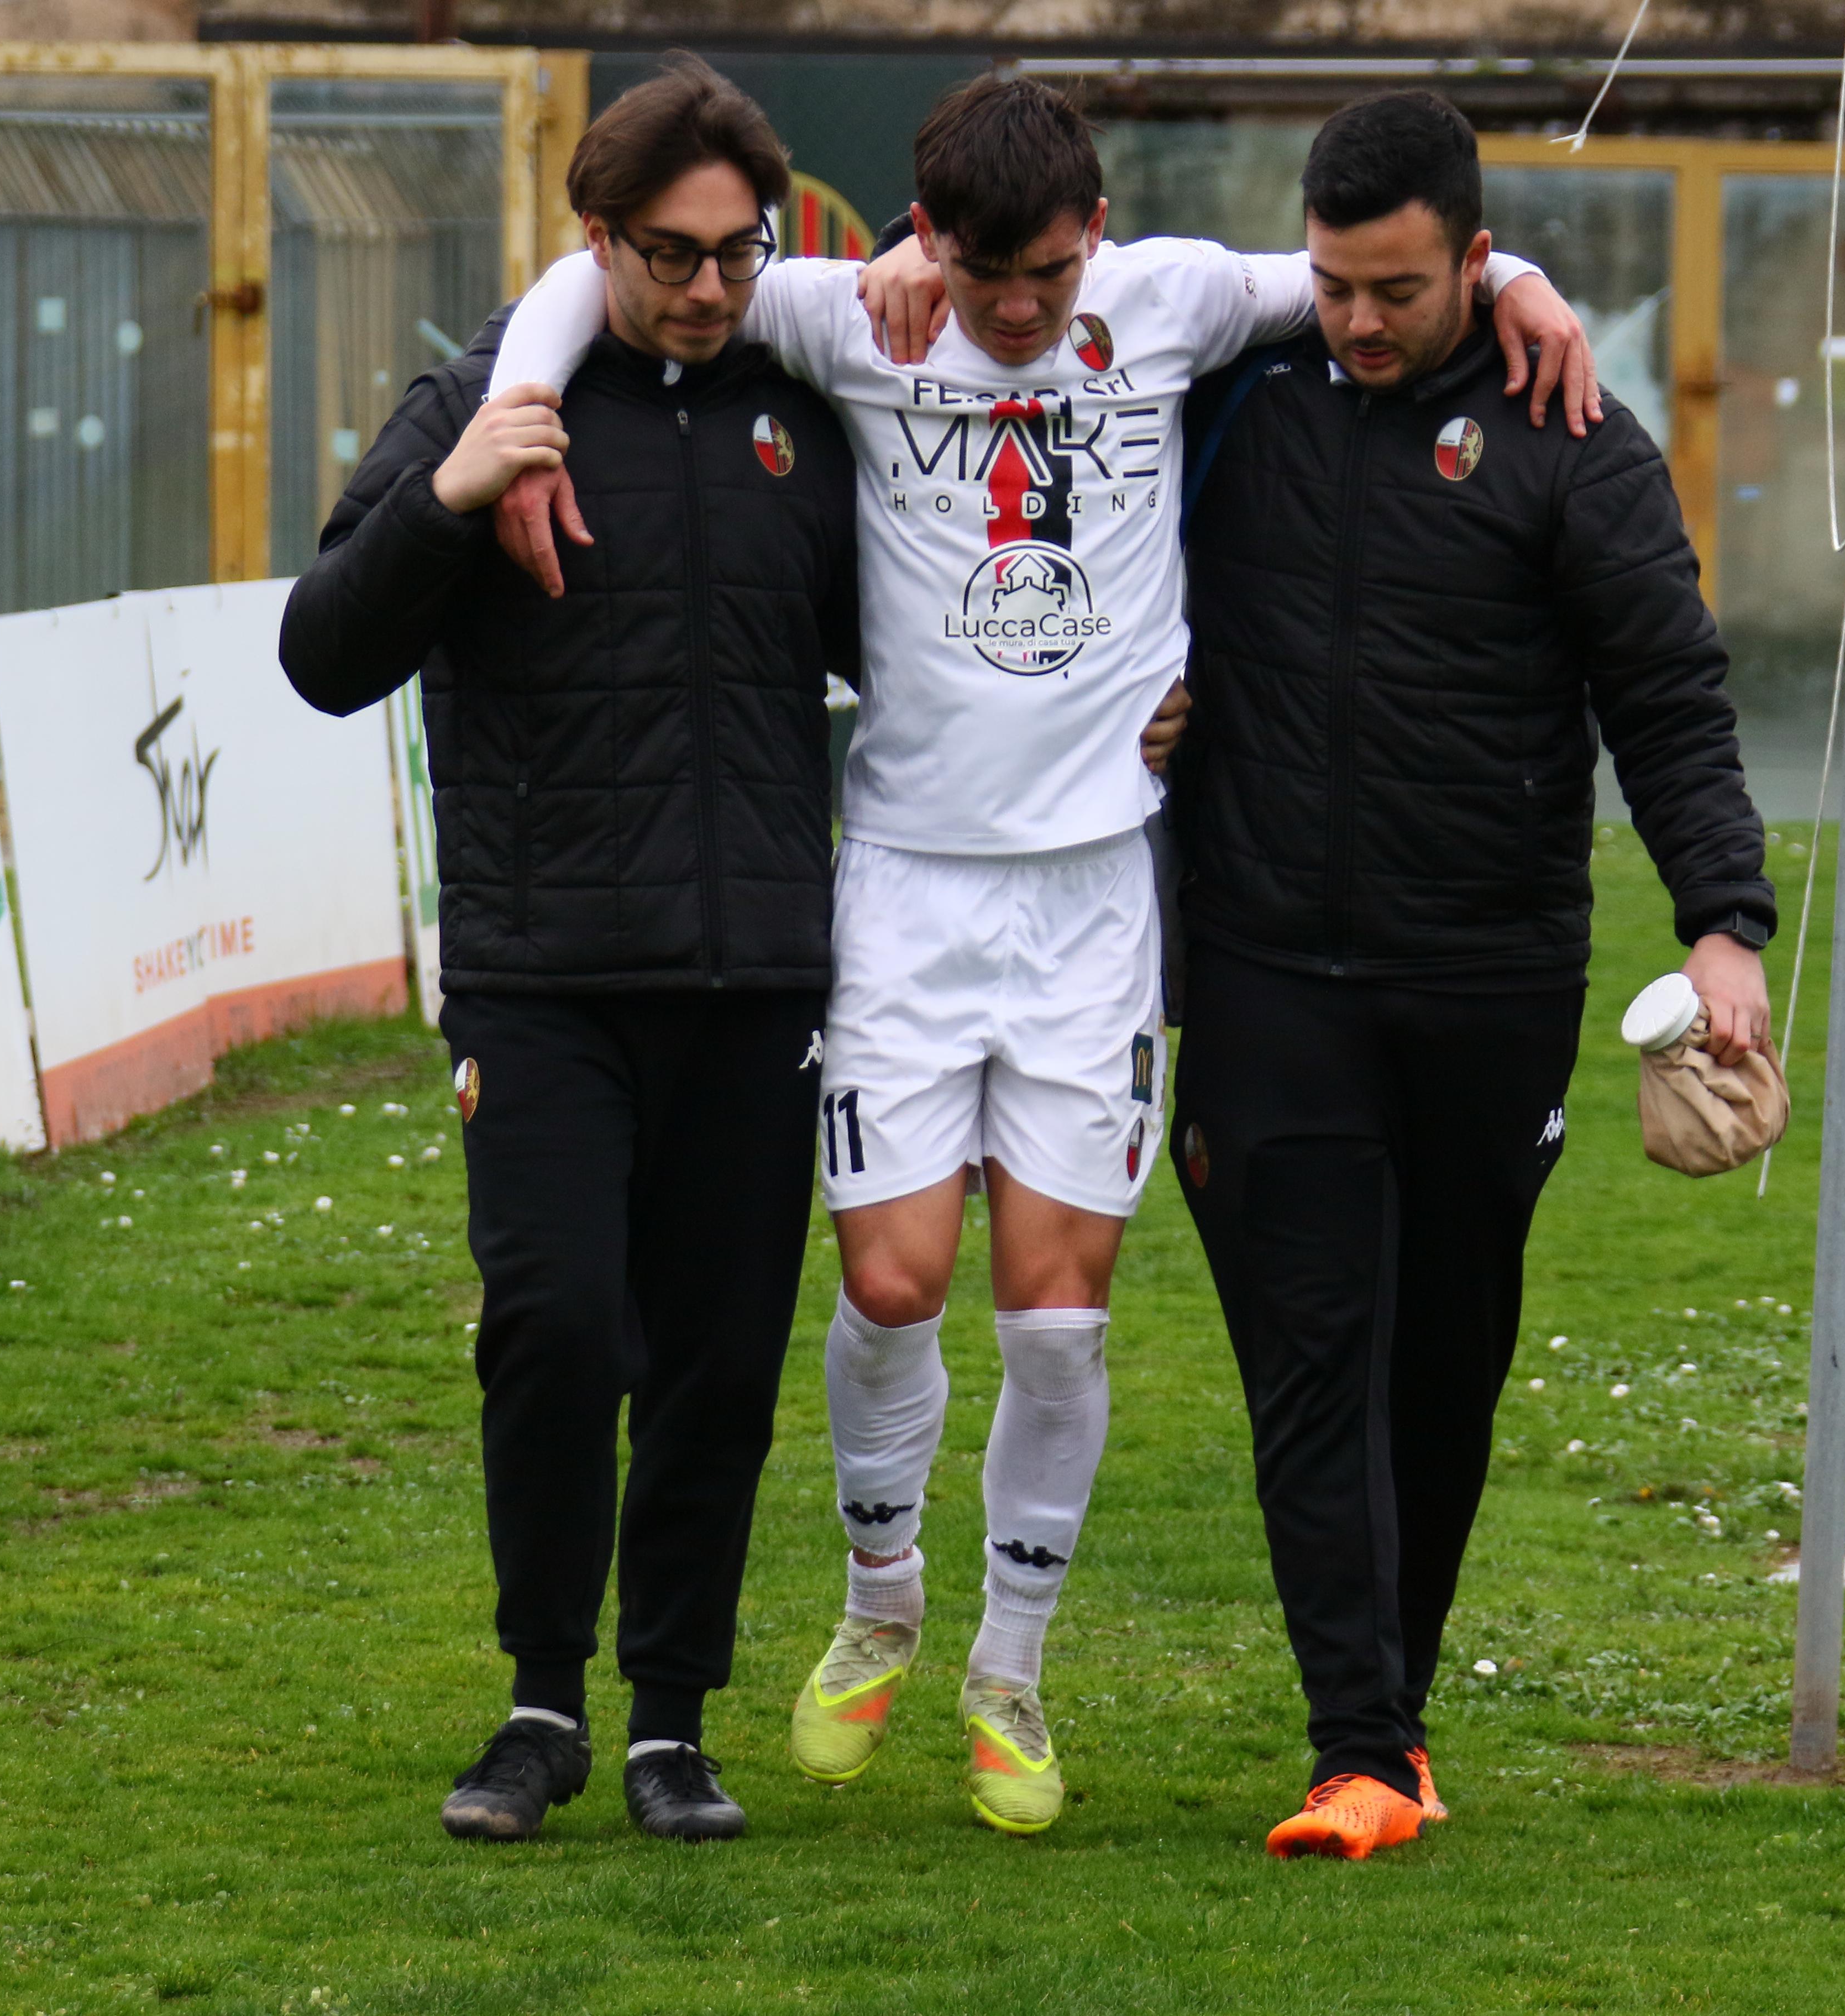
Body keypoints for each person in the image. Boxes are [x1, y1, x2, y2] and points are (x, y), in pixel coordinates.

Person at [485, 76, 1601, 1836]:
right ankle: (881, 1604)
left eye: (1049, 275)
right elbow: (578, 277)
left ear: (1098, 233)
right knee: (892, 1286)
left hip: (1096, 901)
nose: (1016, 311)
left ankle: (1008, 1674)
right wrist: (525, 409)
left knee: (1060, 1321)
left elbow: (1360, 277)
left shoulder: (1169, 297)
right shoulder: (849, 312)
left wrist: (1522, 276)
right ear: (927, 238)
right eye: (983, 274)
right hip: (908, 888)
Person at [1163, 91, 1777, 1860]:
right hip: (1265, 968)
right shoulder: (1229, 394)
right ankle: (1355, 1747)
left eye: (1401, 291)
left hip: (1491, 976)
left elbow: (1668, 695)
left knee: (1440, 1368)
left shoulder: (1571, 431)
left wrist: (1722, 924)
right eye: (1334, 286)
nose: (1360, 322)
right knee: (1312, 1358)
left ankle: (1396, 1718)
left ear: (1478, 260)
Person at [277, 58, 860, 1845]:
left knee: (718, 1364)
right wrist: (448, 498)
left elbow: (917, 648)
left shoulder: (805, 411)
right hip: (542, 978)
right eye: (672, 254)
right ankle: (540, 1703)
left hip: (758, 975)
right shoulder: (483, 398)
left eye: (738, 253)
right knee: (554, 1325)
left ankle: (673, 1722)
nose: (707, 288)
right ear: (596, 238)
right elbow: (322, 654)